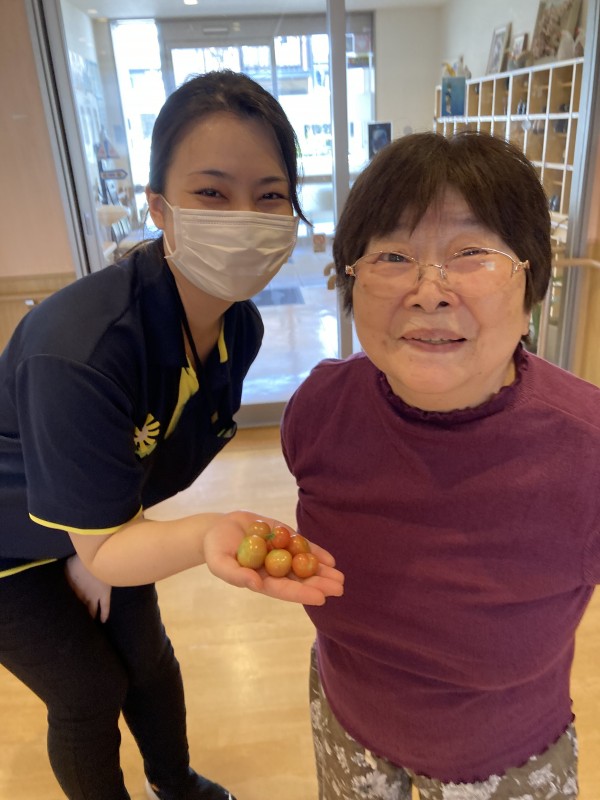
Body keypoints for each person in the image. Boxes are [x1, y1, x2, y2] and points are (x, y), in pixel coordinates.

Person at [0, 69, 343, 800]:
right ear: (158, 205)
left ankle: (177, 785)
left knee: (148, 659)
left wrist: (103, 542)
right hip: (7, 542)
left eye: (270, 195)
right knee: (88, 687)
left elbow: (145, 463)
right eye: (212, 193)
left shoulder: (237, 329)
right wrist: (125, 543)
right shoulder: (83, 350)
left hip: (96, 517)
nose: (244, 217)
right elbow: (106, 533)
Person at [280, 131, 600, 799]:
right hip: (346, 734)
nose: (430, 292)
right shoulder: (320, 410)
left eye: (472, 254)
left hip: (505, 767)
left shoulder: (587, 451)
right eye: (393, 256)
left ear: (532, 286)